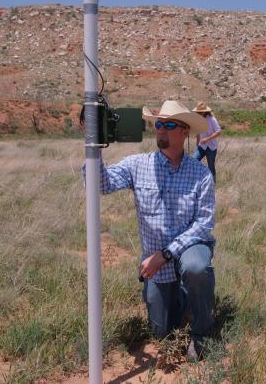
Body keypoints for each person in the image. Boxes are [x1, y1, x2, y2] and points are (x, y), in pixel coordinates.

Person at [82, 100, 216, 362]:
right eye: (158, 125)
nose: (161, 130)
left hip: (187, 249)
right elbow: (101, 185)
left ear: (184, 131)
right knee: (162, 330)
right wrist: (93, 144)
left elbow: (203, 224)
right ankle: (183, 298)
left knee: (196, 267)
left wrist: (165, 255)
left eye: (168, 125)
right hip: (157, 260)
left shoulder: (201, 174)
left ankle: (203, 333)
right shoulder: (137, 165)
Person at [192, 102, 222, 183]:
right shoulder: (197, 120)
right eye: (197, 112)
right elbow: (198, 133)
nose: (197, 113)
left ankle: (213, 184)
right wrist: (197, 146)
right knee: (193, 161)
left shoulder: (212, 119)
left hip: (211, 147)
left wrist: (207, 139)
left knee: (211, 166)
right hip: (201, 147)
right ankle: (196, 181)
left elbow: (218, 131)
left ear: (204, 112)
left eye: (199, 112)